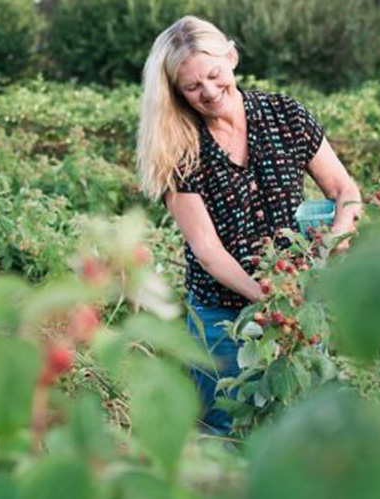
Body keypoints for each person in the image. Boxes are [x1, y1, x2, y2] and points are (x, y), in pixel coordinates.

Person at [135, 16, 363, 434]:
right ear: (176, 92)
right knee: (222, 427)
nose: (208, 92)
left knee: (302, 418)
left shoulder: (285, 115)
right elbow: (207, 250)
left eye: (213, 75)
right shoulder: (180, 149)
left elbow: (343, 189)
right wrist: (266, 299)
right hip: (222, 313)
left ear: (232, 58)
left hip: (296, 302)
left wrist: (339, 234)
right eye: (192, 87)